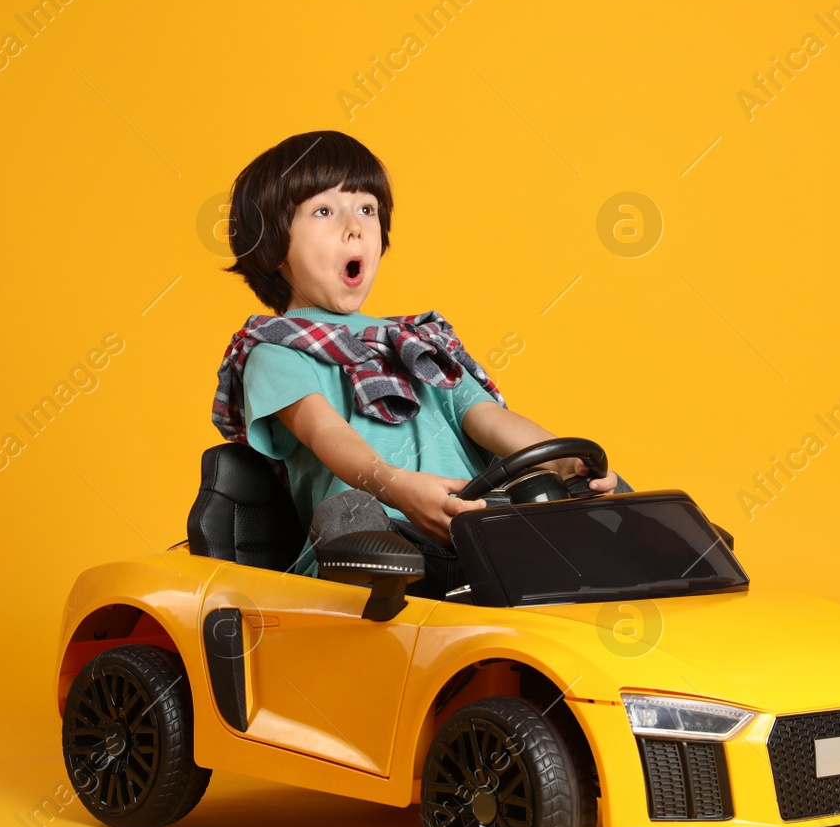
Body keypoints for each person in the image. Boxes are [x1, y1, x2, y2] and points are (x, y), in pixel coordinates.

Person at [211, 130, 621, 598]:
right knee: (348, 510)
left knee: (602, 489)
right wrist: (400, 488)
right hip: (378, 541)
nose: (355, 227)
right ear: (273, 245)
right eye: (324, 211)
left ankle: (651, 544)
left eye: (367, 209)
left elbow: (488, 417)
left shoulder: (417, 343)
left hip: (475, 530)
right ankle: (381, 578)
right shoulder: (276, 350)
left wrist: (568, 459)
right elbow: (326, 434)